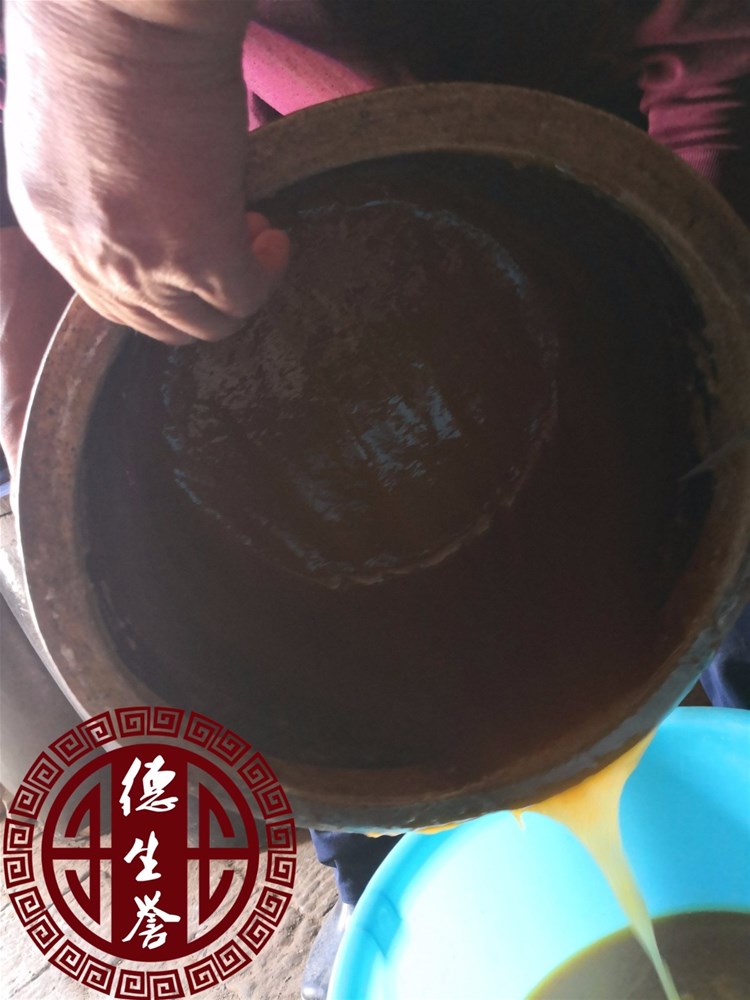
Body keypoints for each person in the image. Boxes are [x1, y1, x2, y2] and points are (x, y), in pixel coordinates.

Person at [1, 3, 748, 999]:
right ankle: (377, 890)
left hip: (617, 226)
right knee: (335, 737)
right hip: (299, 209)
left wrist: (114, 30)